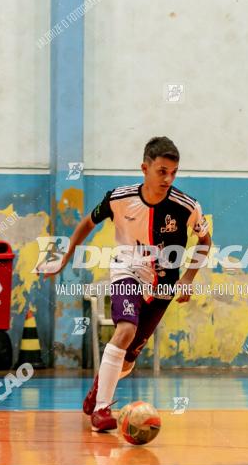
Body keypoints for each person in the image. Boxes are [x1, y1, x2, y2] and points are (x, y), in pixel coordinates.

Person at [43, 136, 211, 431]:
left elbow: (205, 241)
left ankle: (99, 388)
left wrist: (187, 278)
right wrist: (64, 257)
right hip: (126, 270)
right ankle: (102, 411)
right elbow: (86, 223)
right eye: (162, 171)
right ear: (144, 168)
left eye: (173, 172)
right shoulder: (119, 198)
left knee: (129, 357)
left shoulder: (186, 206)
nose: (168, 178)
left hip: (164, 285)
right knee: (125, 330)